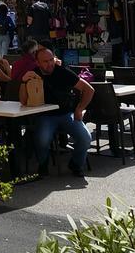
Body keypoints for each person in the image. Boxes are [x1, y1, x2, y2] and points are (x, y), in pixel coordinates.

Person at [21, 47, 94, 176]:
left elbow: (89, 89)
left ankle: (76, 164)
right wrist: (23, 81)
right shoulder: (34, 74)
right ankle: (43, 164)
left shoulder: (62, 72)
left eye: (51, 60)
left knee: (85, 138)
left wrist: (79, 109)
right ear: (37, 62)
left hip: (66, 114)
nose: (49, 64)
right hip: (45, 116)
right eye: (45, 61)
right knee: (43, 139)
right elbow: (23, 100)